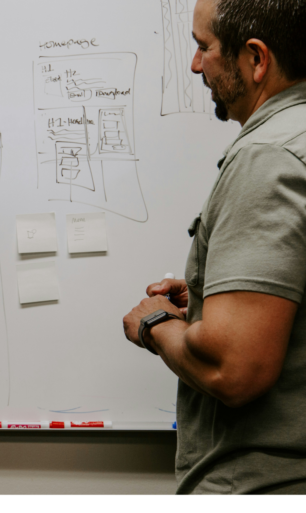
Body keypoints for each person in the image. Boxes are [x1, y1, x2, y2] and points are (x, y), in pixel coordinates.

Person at [123, 0, 306, 494]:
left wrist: (154, 324)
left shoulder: (267, 157)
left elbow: (235, 368)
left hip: (262, 484)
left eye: (204, 47)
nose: (195, 64)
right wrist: (213, 292)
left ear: (256, 58)